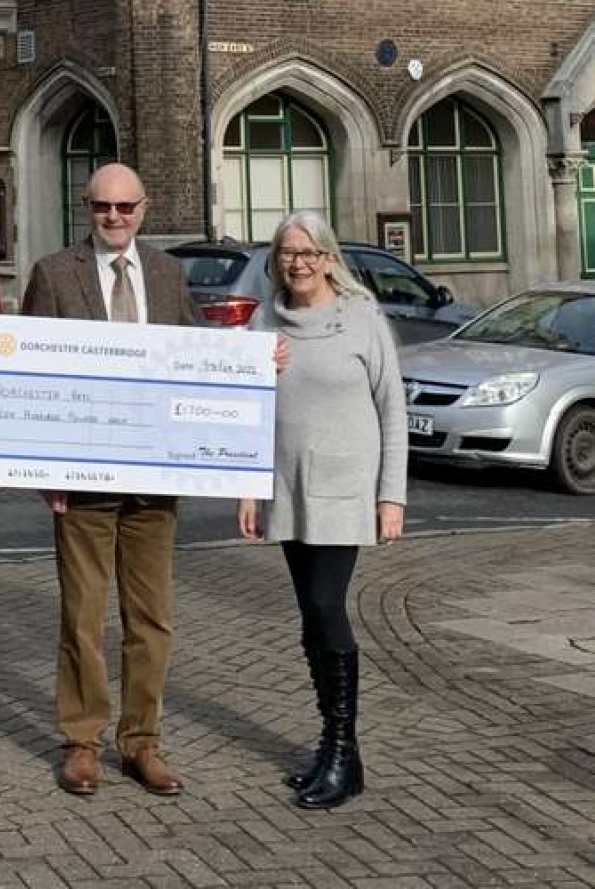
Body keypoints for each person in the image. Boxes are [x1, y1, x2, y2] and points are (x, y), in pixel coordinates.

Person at [20, 163, 199, 798]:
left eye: (126, 208)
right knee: (84, 617)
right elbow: (33, 378)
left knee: (153, 620)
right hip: (84, 480)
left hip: (154, 481)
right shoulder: (53, 273)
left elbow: (196, 361)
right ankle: (81, 742)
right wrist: (45, 470)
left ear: (144, 209)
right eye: (103, 208)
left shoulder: (167, 273)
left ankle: (142, 743)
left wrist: (260, 363)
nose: (115, 218)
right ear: (86, 208)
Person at [238, 210, 406, 811]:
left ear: (330, 257)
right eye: (288, 253)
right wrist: (250, 489)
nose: (299, 262)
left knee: (324, 606)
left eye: (310, 252)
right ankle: (337, 750)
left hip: (344, 489)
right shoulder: (266, 320)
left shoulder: (361, 320)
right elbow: (249, 408)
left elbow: (391, 410)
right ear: (275, 260)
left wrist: (392, 496)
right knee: (310, 616)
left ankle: (342, 746)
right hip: (288, 487)